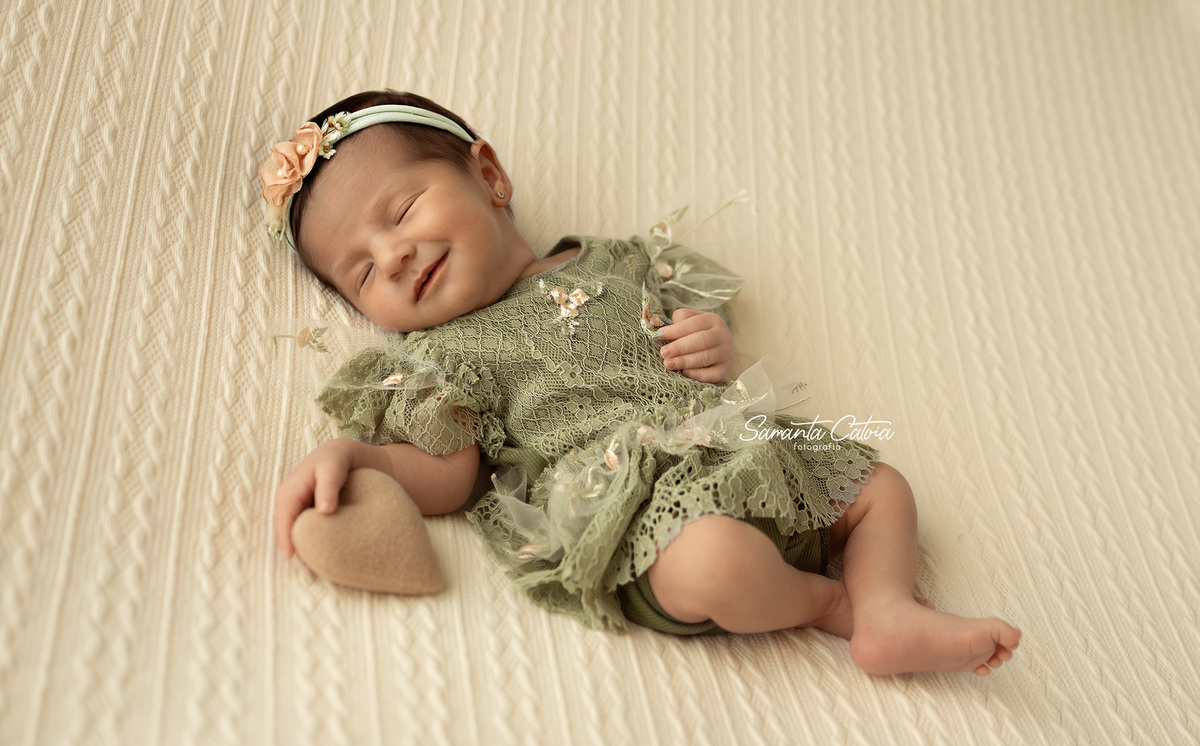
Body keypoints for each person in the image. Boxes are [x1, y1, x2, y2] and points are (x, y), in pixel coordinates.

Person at [265, 90, 1020, 676]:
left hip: (738, 446)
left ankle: (888, 607)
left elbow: (693, 331)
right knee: (716, 564)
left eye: (402, 212)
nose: (393, 256)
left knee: (879, 485)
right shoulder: (444, 359)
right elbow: (449, 473)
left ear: (488, 174)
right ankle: (833, 605)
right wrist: (355, 456)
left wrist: (709, 340)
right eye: (362, 272)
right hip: (639, 507)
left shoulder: (618, 260)